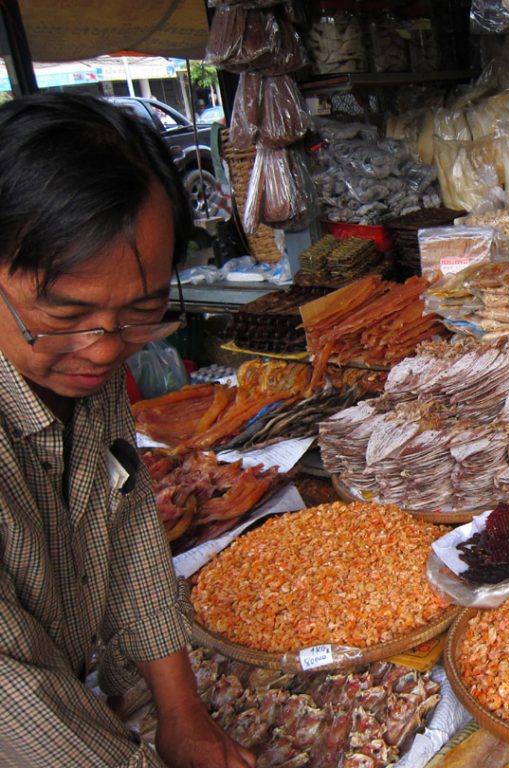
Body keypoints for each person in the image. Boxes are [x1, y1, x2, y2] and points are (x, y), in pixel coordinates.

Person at [0, 94, 255, 766]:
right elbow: (13, 698)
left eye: (140, 313)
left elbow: (130, 519)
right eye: (65, 314)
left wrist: (183, 712)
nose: (106, 350)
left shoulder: (88, 365)